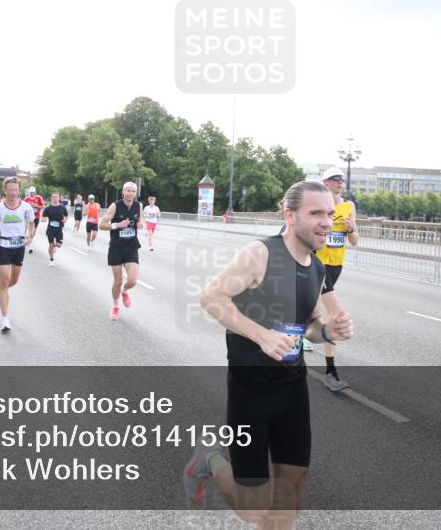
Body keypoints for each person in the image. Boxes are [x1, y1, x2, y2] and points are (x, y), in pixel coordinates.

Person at [183, 181, 353, 527]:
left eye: (330, 214)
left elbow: (309, 324)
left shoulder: (318, 267)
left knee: (291, 495)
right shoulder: (259, 254)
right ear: (289, 215)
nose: (326, 222)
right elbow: (211, 298)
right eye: (316, 213)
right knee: (252, 508)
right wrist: (261, 335)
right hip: (250, 390)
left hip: (292, 388)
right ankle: (210, 460)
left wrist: (326, 332)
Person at [315, 167, 359, 391]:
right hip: (317, 263)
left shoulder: (348, 206)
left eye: (341, 179)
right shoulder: (319, 205)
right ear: (325, 182)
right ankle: (331, 372)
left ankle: (299, 331)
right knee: (334, 313)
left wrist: (351, 229)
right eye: (335, 179)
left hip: (336, 264)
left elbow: (355, 241)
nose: (340, 182)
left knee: (312, 306)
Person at [0, 177, 35, 332]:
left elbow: (31, 223)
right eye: (10, 189)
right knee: (5, 281)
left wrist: (29, 235)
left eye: (15, 190)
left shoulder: (26, 207)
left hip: (19, 246)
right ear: (5, 190)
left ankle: (2, 291)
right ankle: (5, 318)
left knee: (14, 280)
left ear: (19, 190)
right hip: (4, 246)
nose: (13, 192)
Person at [98, 182, 143, 320]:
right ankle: (116, 306)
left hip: (131, 247)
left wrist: (141, 223)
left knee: (133, 280)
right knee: (117, 281)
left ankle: (125, 291)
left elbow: (140, 219)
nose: (130, 193)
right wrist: (117, 225)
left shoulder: (138, 205)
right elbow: (101, 225)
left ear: (136, 193)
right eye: (128, 190)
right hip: (116, 248)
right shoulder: (115, 206)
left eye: (133, 191)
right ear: (123, 192)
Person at [42, 193, 68, 266]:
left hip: (59, 229)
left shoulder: (62, 207)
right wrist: (43, 219)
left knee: (59, 245)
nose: (55, 198)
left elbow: (66, 215)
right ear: (51, 198)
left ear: (59, 198)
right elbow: (43, 217)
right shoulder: (48, 208)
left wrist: (65, 220)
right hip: (50, 229)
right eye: (53, 197)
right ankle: (52, 260)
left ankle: (53, 247)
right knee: (50, 244)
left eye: (56, 197)